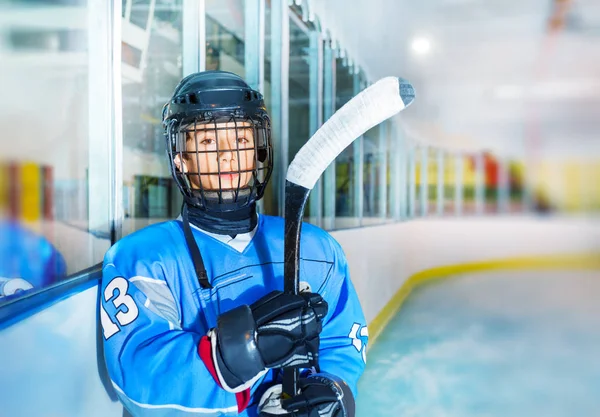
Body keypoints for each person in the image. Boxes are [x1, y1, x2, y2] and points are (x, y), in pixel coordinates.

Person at [101, 70, 368, 417]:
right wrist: (239, 352)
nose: (227, 155)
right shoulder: (142, 259)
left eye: (241, 141)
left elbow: (342, 342)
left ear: (257, 151)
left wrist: (329, 389)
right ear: (181, 157)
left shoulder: (317, 250)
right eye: (208, 143)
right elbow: (141, 381)